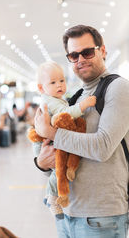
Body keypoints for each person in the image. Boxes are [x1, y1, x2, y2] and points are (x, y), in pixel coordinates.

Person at [34, 25, 129, 238]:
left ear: (103, 51)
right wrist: (41, 162)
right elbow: (56, 151)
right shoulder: (77, 96)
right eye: (74, 55)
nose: (80, 59)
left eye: (87, 52)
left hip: (101, 218)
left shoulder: (119, 89)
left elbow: (102, 148)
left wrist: (53, 133)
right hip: (68, 213)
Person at [31, 60, 96, 219]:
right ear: (41, 88)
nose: (59, 85)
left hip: (49, 139)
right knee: (58, 168)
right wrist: (83, 105)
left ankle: (50, 196)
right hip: (45, 142)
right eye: (53, 82)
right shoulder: (50, 101)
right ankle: (52, 197)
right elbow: (65, 113)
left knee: (59, 168)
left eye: (62, 80)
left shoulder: (55, 98)